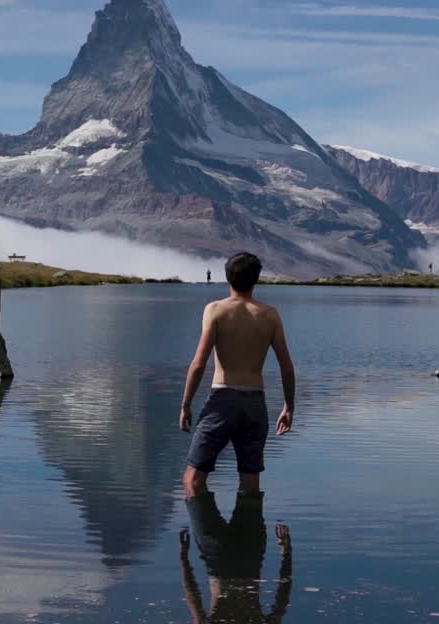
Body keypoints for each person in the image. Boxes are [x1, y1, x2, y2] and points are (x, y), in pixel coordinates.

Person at [181, 252, 295, 498]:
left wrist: (186, 404)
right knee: (250, 482)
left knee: (192, 480)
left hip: (223, 400)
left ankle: (207, 534)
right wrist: (288, 407)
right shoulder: (269, 315)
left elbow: (199, 364)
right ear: (256, 279)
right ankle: (250, 534)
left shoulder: (215, 311)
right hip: (256, 404)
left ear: (227, 278)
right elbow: (286, 367)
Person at [180, 492, 292, 623]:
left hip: (240, 556)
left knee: (249, 486)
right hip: (227, 557)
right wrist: (184, 558)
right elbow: (281, 600)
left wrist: (286, 551)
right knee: (194, 486)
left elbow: (282, 599)